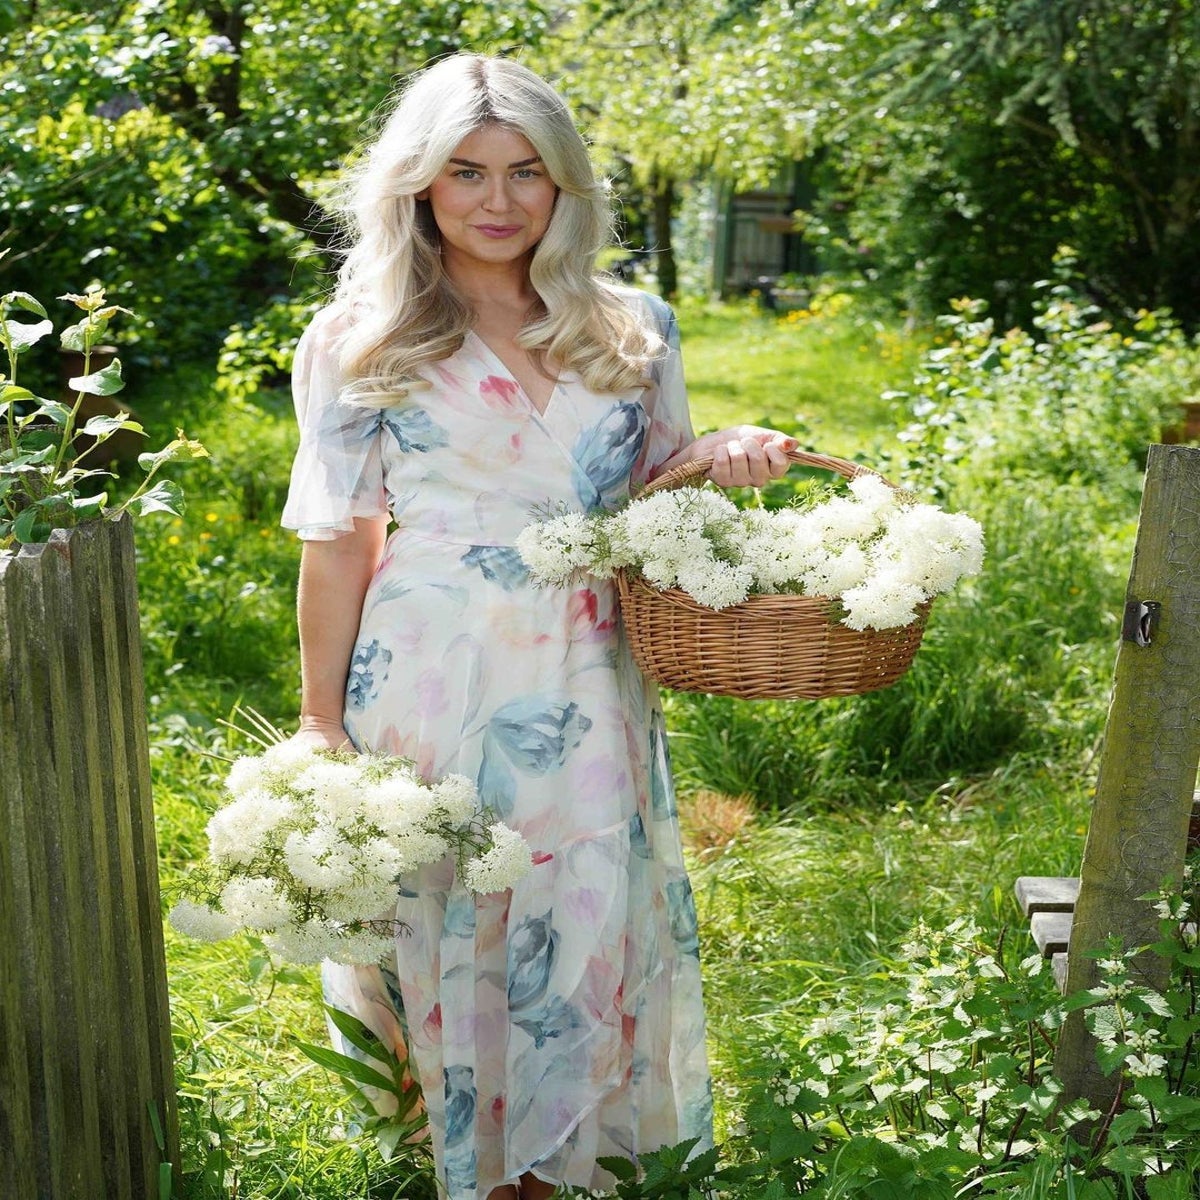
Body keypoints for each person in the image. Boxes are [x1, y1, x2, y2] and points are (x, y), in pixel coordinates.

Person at [280, 52, 795, 1200]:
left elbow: (665, 502)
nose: (499, 202)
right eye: (466, 173)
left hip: (590, 669)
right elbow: (336, 541)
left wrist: (723, 460)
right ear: (418, 185)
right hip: (429, 670)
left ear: (566, 187)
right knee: (450, 910)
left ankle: (569, 1169)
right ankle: (466, 1167)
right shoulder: (361, 337)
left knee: (582, 914)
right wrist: (321, 723)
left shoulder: (635, 325)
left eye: (527, 173)